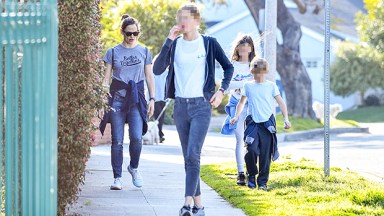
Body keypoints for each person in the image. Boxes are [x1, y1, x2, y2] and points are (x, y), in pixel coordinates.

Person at [153, 3, 233, 216]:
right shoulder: (175, 44)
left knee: (193, 154)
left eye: (187, 17)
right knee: (189, 158)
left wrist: (221, 91)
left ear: (197, 21)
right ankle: (200, 207)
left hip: (201, 106)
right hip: (180, 107)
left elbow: (228, 67)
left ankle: (187, 204)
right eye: (180, 17)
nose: (182, 21)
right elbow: (157, 69)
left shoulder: (208, 43)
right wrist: (168, 41)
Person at [100, 14, 155, 190]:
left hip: (136, 100)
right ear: (122, 32)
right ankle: (117, 177)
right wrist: (102, 101)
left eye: (135, 33)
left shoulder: (145, 51)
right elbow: (106, 79)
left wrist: (152, 98)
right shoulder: (113, 52)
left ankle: (133, 167)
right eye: (128, 33)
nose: (132, 37)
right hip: (117, 99)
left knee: (137, 138)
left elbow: (149, 76)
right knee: (117, 140)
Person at [230, 57, 291, 190]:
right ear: (252, 71)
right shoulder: (248, 86)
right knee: (250, 150)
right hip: (252, 122)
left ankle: (262, 182)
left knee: (265, 153)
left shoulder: (271, 86)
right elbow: (241, 102)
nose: (258, 75)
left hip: (267, 123)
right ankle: (251, 175)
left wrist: (286, 119)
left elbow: (281, 102)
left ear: (266, 72)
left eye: (261, 73)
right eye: (255, 72)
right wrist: (236, 117)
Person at [221, 34, 256, 186]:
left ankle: (252, 171)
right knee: (239, 139)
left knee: (253, 140)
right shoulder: (232, 65)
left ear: (251, 48)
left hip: (253, 105)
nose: (243, 51)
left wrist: (241, 84)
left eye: (247, 48)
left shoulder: (255, 64)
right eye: (241, 48)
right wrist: (244, 84)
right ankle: (240, 173)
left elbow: (259, 82)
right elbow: (227, 85)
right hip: (236, 104)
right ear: (237, 49)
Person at [152, 55, 169, 143]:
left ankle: (159, 134)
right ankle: (157, 133)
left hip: (163, 98)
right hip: (154, 98)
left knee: (160, 117)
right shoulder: (152, 72)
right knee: (156, 116)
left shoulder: (166, 73)